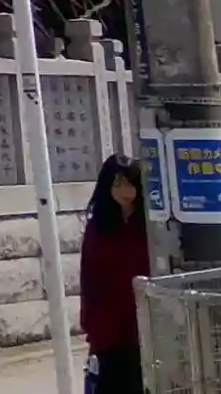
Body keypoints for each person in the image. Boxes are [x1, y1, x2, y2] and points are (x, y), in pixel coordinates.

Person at [78, 153, 150, 394]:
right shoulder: (98, 227)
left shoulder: (150, 225)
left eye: (129, 184)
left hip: (145, 325)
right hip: (109, 327)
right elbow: (89, 278)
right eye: (117, 184)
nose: (124, 191)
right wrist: (91, 324)